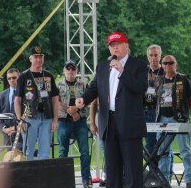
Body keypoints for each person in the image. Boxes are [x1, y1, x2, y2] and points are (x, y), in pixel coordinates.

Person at [75, 31, 147, 188]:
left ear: (126, 46)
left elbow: (141, 88)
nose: (115, 48)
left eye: (118, 45)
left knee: (132, 169)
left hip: (130, 123)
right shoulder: (102, 67)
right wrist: (84, 99)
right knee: (112, 169)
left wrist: (122, 71)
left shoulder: (138, 65)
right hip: (109, 122)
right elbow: (94, 87)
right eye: (112, 46)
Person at [155, 55, 191, 188]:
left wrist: (183, 112)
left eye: (170, 63)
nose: (167, 65)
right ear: (162, 65)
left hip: (179, 119)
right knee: (163, 151)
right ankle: (164, 179)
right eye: (165, 63)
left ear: (176, 64)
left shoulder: (183, 79)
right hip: (162, 118)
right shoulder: (159, 80)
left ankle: (190, 180)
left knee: (185, 150)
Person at [14, 46, 59, 160]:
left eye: (40, 57)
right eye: (36, 57)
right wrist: (20, 120)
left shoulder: (48, 75)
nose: (38, 60)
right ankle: (29, 177)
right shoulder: (24, 76)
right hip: (29, 118)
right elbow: (17, 100)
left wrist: (55, 119)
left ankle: (42, 177)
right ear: (30, 59)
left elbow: (55, 99)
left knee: (45, 151)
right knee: (28, 151)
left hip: (46, 117)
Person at [57, 60, 92, 188]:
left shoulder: (83, 85)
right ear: (64, 71)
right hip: (63, 121)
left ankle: (86, 179)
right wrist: (70, 111)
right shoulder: (58, 85)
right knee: (62, 151)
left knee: (84, 151)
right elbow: (56, 102)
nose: (70, 71)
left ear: (76, 71)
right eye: (68, 69)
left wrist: (77, 109)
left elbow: (88, 100)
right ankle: (63, 180)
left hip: (80, 122)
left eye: (73, 69)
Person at [144, 44, 164, 155]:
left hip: (161, 111)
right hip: (146, 110)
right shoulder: (143, 72)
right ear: (148, 57)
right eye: (151, 55)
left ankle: (164, 171)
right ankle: (152, 171)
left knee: (163, 144)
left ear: (160, 56)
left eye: (156, 55)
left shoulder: (165, 71)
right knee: (149, 143)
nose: (153, 58)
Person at [0, 68, 22, 150]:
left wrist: (16, 128)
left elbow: (28, 112)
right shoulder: (2, 95)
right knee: (8, 160)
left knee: (22, 160)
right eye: (9, 78)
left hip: (21, 134)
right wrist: (4, 129)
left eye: (14, 78)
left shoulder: (25, 93)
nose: (11, 80)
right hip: (7, 135)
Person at [89, 99, 107, 187]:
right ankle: (106, 176)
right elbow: (93, 103)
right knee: (105, 151)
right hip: (103, 121)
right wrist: (92, 123)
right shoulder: (100, 85)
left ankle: (107, 175)